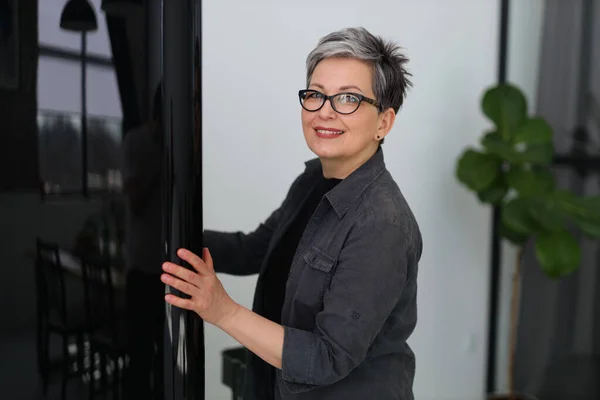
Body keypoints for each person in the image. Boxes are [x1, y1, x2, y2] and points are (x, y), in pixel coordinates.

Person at [161, 27, 422, 400]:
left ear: (384, 122)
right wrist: (171, 235)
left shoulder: (382, 223)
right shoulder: (312, 181)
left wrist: (223, 311)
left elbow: (328, 357)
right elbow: (253, 249)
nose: (324, 112)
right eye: (316, 95)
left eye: (348, 98)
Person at [122, 83, 164, 399]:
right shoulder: (136, 142)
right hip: (143, 266)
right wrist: (157, 171)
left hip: (169, 267)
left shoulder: (174, 147)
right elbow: (135, 203)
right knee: (140, 355)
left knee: (166, 354)